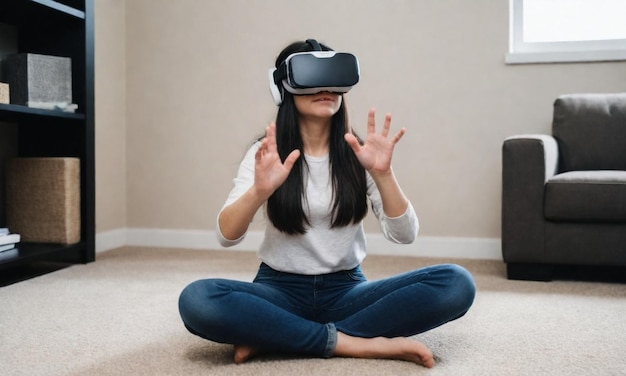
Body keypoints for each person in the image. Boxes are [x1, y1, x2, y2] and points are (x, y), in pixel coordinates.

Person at [178, 39, 476, 368]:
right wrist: (259, 191)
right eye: (312, 77)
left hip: (346, 291)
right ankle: (354, 343)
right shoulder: (266, 153)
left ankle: (279, 337)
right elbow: (226, 235)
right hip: (279, 290)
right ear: (282, 88)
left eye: (333, 79)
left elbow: (404, 235)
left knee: (456, 283)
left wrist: (383, 174)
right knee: (197, 300)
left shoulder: (359, 153)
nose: (325, 88)